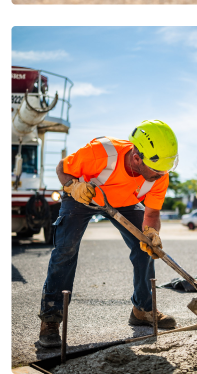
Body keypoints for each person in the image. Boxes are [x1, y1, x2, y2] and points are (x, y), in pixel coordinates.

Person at [38, 120, 179, 348]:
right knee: (66, 249)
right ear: (136, 158)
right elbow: (61, 168)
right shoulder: (101, 152)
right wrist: (73, 187)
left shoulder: (160, 175)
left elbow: (152, 212)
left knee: (144, 247)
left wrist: (151, 232)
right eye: (156, 170)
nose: (161, 175)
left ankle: (142, 309)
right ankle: (50, 319)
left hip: (124, 202)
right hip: (83, 195)